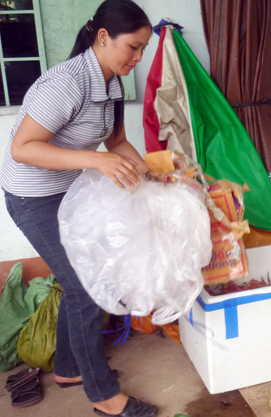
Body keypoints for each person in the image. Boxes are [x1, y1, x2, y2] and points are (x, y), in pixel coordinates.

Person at [0, 1, 158, 416]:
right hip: (32, 198)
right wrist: (97, 162)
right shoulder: (65, 83)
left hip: (69, 194)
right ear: (103, 37)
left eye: (144, 50)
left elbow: (117, 143)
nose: (138, 58)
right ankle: (103, 396)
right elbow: (23, 148)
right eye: (133, 47)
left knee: (86, 279)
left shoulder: (112, 85)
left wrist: (150, 176)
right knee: (88, 287)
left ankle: (70, 369)